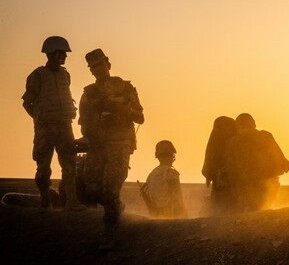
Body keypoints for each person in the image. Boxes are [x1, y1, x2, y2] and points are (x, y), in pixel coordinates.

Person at [78, 48, 145, 250]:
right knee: (90, 187)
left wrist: (120, 109)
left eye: (100, 65)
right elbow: (84, 122)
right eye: (93, 67)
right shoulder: (89, 93)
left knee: (109, 189)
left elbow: (140, 117)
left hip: (120, 143)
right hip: (97, 145)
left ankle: (110, 236)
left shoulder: (125, 87)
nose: (98, 70)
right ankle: (117, 206)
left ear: (108, 63)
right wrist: (97, 123)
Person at [21, 36, 86, 211]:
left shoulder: (66, 75)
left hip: (65, 126)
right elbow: (27, 102)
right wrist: (39, 119)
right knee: (43, 167)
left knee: (69, 164)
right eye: (62, 53)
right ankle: (45, 199)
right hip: (45, 128)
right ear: (52, 54)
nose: (65, 56)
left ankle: (72, 202)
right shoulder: (37, 76)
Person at [222, 113, 289, 213]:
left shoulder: (264, 137)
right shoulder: (235, 142)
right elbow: (231, 162)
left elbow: (276, 153)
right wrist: (225, 174)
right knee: (252, 211)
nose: (243, 130)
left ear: (252, 126)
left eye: (245, 127)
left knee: (260, 210)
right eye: (240, 127)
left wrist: (283, 164)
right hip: (246, 185)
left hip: (265, 181)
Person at [141, 140, 187, 219]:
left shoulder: (151, 175)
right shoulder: (171, 173)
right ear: (170, 156)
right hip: (170, 215)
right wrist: (185, 216)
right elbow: (178, 198)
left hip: (156, 215)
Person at [202, 116, 237, 213]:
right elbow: (209, 159)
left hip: (231, 184)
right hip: (221, 184)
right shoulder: (217, 140)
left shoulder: (235, 141)